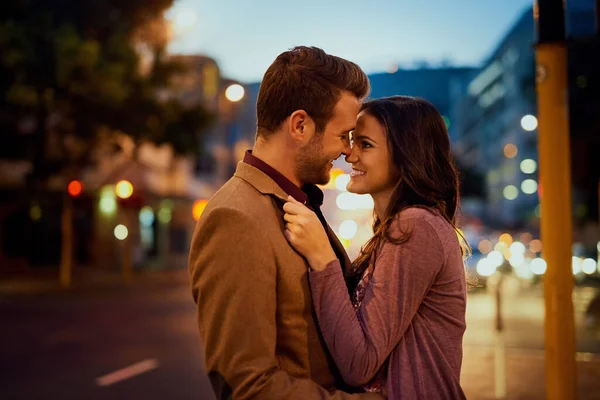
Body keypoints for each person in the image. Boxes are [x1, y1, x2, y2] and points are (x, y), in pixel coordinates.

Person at [188, 46, 383, 399]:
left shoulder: (297, 200)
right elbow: (248, 386)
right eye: (343, 136)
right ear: (300, 125)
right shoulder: (236, 217)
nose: (346, 151)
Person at [283, 96, 468, 400]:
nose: (350, 155)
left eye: (365, 145)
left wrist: (321, 257)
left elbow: (359, 362)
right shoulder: (400, 226)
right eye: (352, 141)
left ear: (406, 154)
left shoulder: (415, 226)